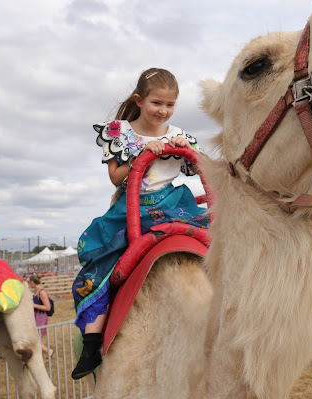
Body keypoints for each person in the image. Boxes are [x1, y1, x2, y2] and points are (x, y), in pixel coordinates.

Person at [70, 68, 209, 380]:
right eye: (156, 103)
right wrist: (142, 153)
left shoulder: (179, 134)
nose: (163, 111)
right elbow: (115, 177)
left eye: (170, 105)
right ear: (139, 100)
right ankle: (92, 343)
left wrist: (183, 147)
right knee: (103, 261)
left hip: (172, 204)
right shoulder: (120, 133)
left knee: (219, 239)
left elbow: (202, 166)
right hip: (131, 206)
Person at [29, 275, 54, 358]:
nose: (29, 284)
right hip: (36, 316)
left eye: (30, 282)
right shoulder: (36, 291)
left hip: (41, 317)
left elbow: (47, 307)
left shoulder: (41, 292)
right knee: (38, 339)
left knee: (35, 339)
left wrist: (33, 305)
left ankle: (49, 351)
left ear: (33, 282)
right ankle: (43, 355)